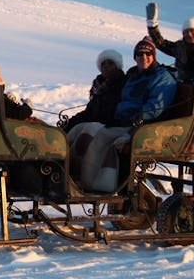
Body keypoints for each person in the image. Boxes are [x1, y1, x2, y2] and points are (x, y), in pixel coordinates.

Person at [67, 37, 177, 193]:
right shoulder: (134, 76)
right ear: (135, 57)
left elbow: (156, 106)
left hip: (140, 125)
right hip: (121, 122)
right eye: (140, 54)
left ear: (154, 56)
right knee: (81, 130)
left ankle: (91, 184)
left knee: (97, 136)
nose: (143, 57)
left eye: (148, 54)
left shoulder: (161, 77)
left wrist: (139, 117)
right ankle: (69, 174)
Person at [62, 49, 127, 132]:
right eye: (103, 64)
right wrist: (69, 123)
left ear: (117, 66)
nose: (106, 66)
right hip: (94, 124)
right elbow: (89, 112)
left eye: (110, 63)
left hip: (111, 126)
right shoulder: (98, 86)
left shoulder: (123, 84)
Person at [145, 2, 194, 81]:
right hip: (183, 85)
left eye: (192, 31)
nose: (189, 34)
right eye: (186, 32)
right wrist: (152, 26)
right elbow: (161, 43)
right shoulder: (179, 47)